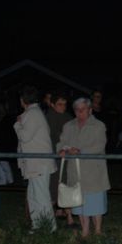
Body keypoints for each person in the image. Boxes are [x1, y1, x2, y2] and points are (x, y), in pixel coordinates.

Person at [58, 97, 110, 237]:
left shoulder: (99, 126)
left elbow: (99, 145)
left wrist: (80, 151)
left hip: (94, 170)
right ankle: (85, 230)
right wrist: (63, 150)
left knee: (95, 201)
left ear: (90, 110)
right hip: (75, 170)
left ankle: (98, 230)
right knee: (78, 201)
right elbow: (61, 142)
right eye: (77, 110)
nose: (80, 112)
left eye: (83, 109)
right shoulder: (68, 126)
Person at [14, 85, 57, 233]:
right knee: (33, 195)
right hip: (35, 163)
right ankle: (38, 225)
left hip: (39, 163)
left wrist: (17, 124)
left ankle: (49, 228)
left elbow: (25, 137)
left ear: (22, 100)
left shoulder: (33, 113)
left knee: (41, 196)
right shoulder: (33, 112)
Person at [45, 91, 72, 224]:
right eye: (60, 104)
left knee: (65, 182)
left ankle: (61, 211)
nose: (63, 107)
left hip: (66, 156)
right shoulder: (49, 117)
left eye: (65, 104)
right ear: (52, 104)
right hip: (55, 156)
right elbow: (53, 137)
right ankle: (52, 216)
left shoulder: (67, 117)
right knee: (54, 184)